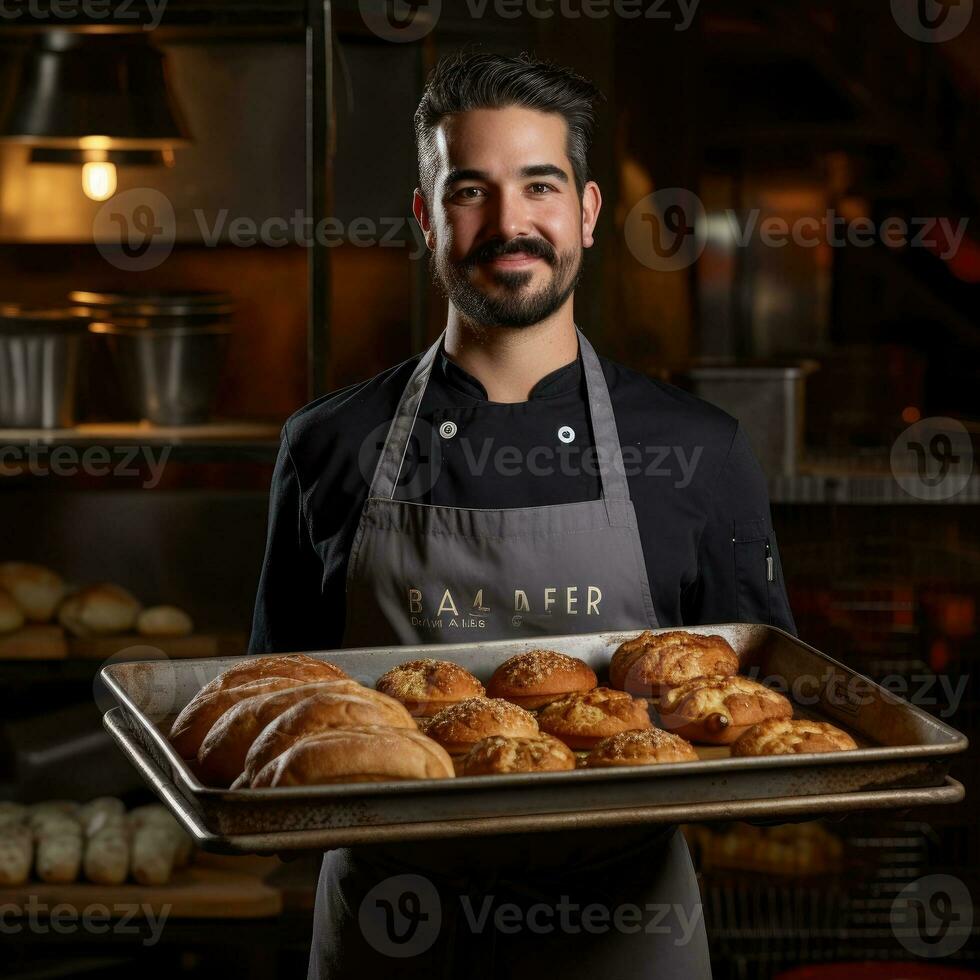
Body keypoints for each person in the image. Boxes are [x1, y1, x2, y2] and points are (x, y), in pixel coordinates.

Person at [249, 49, 797, 980]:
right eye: (472, 190)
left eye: (539, 185)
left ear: (585, 211)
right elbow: (280, 713)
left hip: (625, 930)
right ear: (427, 218)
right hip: (393, 929)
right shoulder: (327, 446)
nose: (510, 224)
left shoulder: (697, 452)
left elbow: (760, 723)